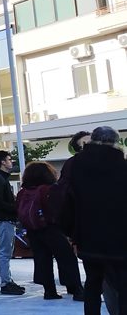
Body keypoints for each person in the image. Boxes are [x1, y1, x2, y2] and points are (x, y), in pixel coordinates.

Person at [65, 126, 127, 314]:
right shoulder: (123, 166)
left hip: (88, 236)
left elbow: (68, 202)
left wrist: (73, 235)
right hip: (120, 237)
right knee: (123, 284)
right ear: (115, 142)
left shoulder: (74, 165)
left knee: (92, 282)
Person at [17, 161, 83, 301]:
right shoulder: (48, 189)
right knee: (67, 258)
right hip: (51, 228)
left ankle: (49, 291)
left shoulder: (23, 192)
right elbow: (59, 210)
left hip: (33, 230)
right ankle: (75, 289)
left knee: (42, 259)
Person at [0, 149, 25, 296]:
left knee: (6, 252)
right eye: (9, 159)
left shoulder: (1, 178)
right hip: (4, 220)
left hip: (6, 220)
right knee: (4, 253)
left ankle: (7, 280)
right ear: (3, 162)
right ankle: (5, 282)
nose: (11, 162)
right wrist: (15, 207)